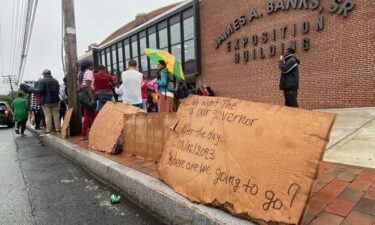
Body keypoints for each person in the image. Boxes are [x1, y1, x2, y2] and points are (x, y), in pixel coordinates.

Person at [30, 69, 60, 133]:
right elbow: (58, 90)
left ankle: (48, 130)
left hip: (46, 101)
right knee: (56, 115)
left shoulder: (42, 81)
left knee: (48, 115)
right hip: (55, 101)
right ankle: (58, 129)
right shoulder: (56, 81)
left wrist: (32, 89)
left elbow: (39, 90)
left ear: (44, 74)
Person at [77, 60, 96, 140]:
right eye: (91, 64)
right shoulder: (88, 72)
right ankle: (84, 134)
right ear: (89, 65)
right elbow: (88, 86)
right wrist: (92, 99)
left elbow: (79, 85)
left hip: (83, 94)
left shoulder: (80, 73)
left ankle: (90, 133)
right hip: (88, 93)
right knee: (88, 115)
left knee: (91, 115)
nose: (93, 66)